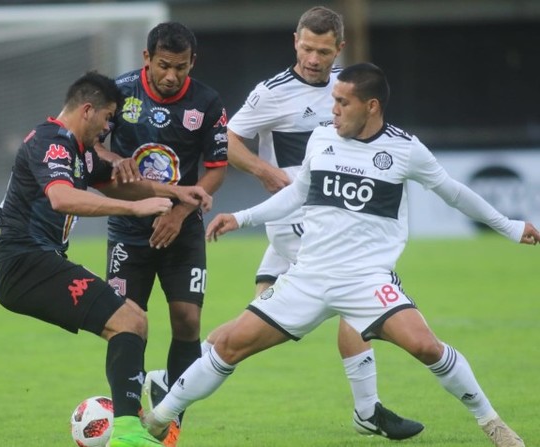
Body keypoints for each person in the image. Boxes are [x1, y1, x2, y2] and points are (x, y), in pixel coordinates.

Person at [143, 63, 538, 447]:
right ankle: (159, 420)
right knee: (229, 345)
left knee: (427, 347)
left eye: (342, 103)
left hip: (366, 280)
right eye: (333, 100)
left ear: (372, 107)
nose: (332, 110)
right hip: (308, 277)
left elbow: (453, 192)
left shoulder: (404, 149)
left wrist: (510, 226)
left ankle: (494, 426)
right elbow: (298, 194)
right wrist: (241, 217)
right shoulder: (322, 139)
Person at [187, 5, 421, 439]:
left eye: (324, 51)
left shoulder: (347, 85)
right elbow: (228, 139)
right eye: (308, 48)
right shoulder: (271, 93)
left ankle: (178, 375)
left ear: (340, 49)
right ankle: (368, 410)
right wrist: (264, 171)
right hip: (297, 220)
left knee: (255, 319)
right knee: (359, 290)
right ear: (296, 41)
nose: (314, 59)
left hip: (326, 218)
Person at [0, 71, 213, 447]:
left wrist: (177, 191)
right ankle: (127, 435)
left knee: (132, 319)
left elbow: (117, 181)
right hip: (23, 263)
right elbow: (62, 197)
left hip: (35, 262)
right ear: (88, 109)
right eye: (108, 118)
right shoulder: (52, 143)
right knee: (128, 319)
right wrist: (134, 208)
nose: (109, 129)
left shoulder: (76, 151)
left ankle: (132, 426)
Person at [95, 22, 228, 447]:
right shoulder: (119, 94)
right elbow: (89, 143)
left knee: (187, 320)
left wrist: (182, 210)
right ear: (147, 59)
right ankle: (127, 423)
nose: (172, 75)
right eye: (164, 66)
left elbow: (216, 168)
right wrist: (113, 157)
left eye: (181, 67)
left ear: (193, 63)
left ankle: (171, 425)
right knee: (126, 323)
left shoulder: (206, 102)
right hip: (128, 229)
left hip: (181, 229)